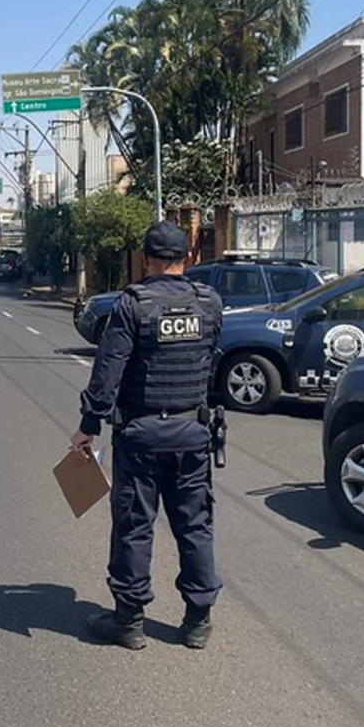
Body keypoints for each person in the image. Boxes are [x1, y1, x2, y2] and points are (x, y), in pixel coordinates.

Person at [69, 221, 224, 651]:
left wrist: (88, 425)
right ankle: (198, 620)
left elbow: (108, 370)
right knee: (195, 526)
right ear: (187, 258)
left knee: (135, 526)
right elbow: (209, 360)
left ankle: (129, 619)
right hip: (193, 433)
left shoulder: (132, 305)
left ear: (144, 259)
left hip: (141, 435)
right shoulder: (209, 303)